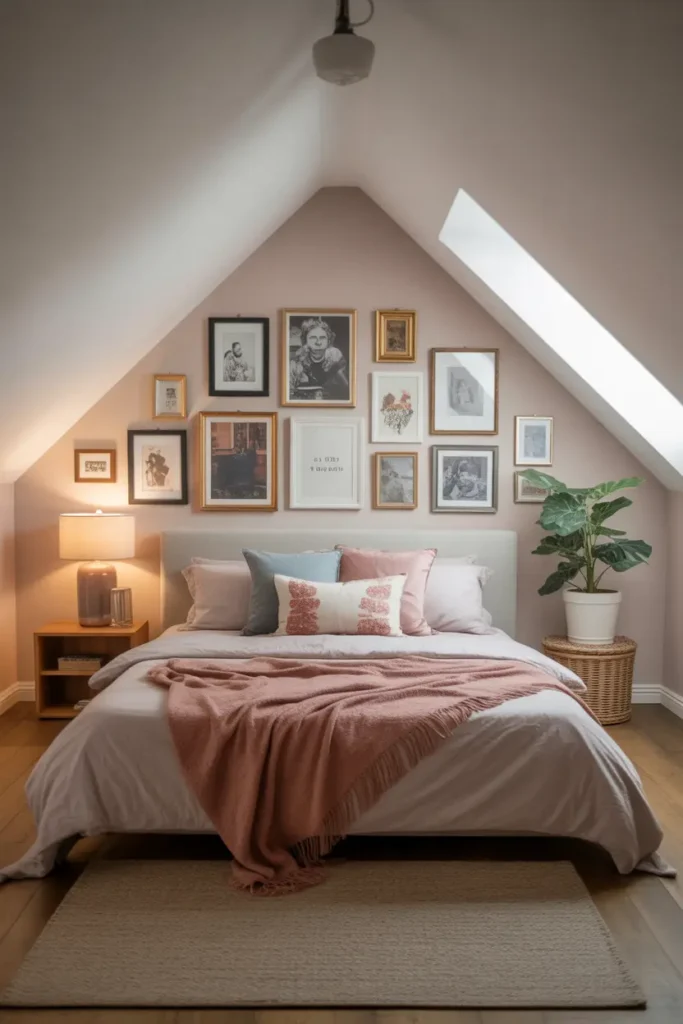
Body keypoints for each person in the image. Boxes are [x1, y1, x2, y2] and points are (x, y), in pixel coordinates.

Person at [289, 317, 349, 401]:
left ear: (328, 341)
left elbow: (346, 390)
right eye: (313, 338)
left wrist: (335, 369)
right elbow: (289, 395)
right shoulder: (296, 363)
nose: (318, 342)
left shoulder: (335, 357)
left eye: (322, 338)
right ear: (305, 341)